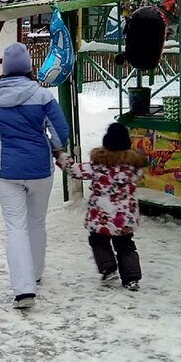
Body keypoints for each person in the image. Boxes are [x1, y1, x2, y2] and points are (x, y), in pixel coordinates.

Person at [0, 42, 70, 310]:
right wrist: (55, 149)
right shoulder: (43, 96)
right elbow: (60, 132)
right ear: (29, 67)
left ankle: (23, 289)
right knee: (37, 221)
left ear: (5, 70)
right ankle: (36, 272)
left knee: (15, 227)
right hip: (40, 169)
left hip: (7, 172)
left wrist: (0, 152)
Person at [58, 123, 146, 291]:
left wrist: (60, 156)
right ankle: (131, 278)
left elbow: (75, 170)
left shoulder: (98, 166)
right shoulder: (133, 167)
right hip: (124, 215)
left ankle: (108, 268)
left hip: (102, 214)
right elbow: (138, 174)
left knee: (98, 240)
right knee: (126, 244)